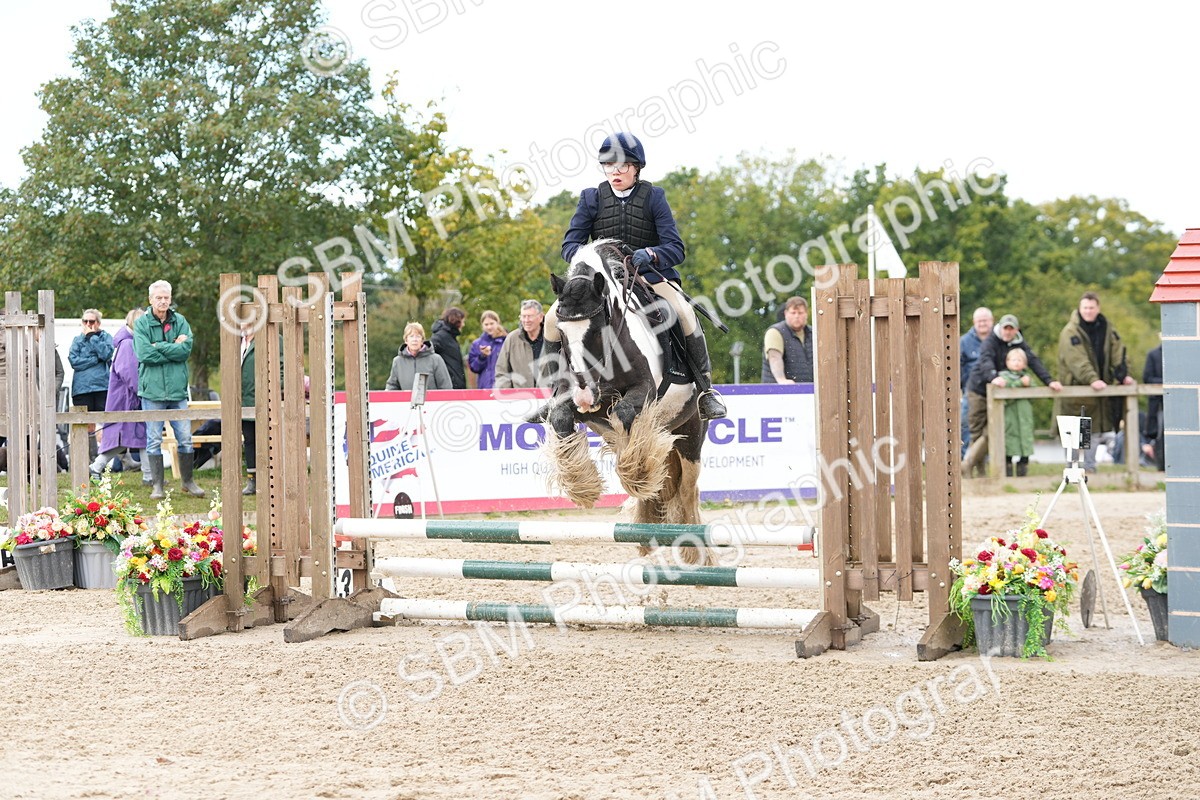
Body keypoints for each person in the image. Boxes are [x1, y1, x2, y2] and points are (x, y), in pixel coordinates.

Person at [549, 131, 726, 420]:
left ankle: (706, 390)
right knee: (551, 320)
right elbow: (570, 246)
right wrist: (592, 260)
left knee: (683, 311)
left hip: (646, 277)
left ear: (636, 168)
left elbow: (676, 248)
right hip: (601, 283)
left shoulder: (654, 197)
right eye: (609, 166)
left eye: (622, 166)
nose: (615, 172)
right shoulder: (591, 198)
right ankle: (557, 392)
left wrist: (652, 254)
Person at [962, 314, 1062, 477]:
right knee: (976, 432)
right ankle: (978, 471)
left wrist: (1049, 380)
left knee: (991, 432)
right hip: (979, 390)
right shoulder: (991, 341)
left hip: (999, 392)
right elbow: (986, 361)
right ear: (1000, 328)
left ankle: (968, 464)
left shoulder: (1019, 342)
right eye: (1005, 328)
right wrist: (994, 376)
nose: (1008, 332)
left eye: (1011, 329)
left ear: (1016, 330)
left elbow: (1033, 361)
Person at [133, 279, 205, 499]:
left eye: (166, 297)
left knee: (185, 437)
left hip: (177, 391)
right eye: (158, 298)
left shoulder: (181, 321)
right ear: (150, 300)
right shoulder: (142, 324)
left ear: (170, 298)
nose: (163, 301)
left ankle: (188, 481)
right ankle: (157, 486)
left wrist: (161, 347)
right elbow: (144, 354)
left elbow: (185, 351)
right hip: (152, 391)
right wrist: (172, 346)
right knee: (153, 438)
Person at [1055, 291, 1135, 472]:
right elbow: (1077, 360)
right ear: (1079, 308)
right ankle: (1072, 470)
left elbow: (1119, 353)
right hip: (1077, 390)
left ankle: (1090, 470)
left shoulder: (1107, 328)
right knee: (1074, 432)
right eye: (1085, 307)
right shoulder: (1070, 332)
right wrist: (1092, 379)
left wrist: (1124, 375)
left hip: (1100, 393)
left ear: (1097, 308)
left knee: (1094, 430)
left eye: (1092, 307)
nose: (1088, 311)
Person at [190, 325, 264, 494]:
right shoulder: (237, 342)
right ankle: (252, 481)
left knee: (264, 441)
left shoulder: (266, 339)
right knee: (250, 440)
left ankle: (268, 479)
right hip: (240, 400)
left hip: (260, 398)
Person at [89, 309, 152, 484]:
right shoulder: (127, 344)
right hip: (126, 400)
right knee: (123, 438)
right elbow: (130, 374)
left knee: (140, 436)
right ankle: (96, 466)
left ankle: (148, 475)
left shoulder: (130, 341)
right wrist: (143, 392)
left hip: (129, 398)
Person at [494, 299, 559, 390]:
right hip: (519, 399)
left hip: (549, 398)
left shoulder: (552, 336)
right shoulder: (512, 339)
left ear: (540, 317)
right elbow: (501, 371)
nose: (526, 320)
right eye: (523, 316)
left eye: (530, 316)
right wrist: (507, 394)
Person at [959, 307, 994, 457]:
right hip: (971, 390)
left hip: (994, 389)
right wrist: (962, 387)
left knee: (990, 427)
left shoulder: (997, 339)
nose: (982, 324)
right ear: (974, 322)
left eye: (985, 320)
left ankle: (983, 461)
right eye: (979, 321)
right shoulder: (965, 341)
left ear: (992, 321)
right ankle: (960, 459)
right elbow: (958, 366)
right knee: (967, 424)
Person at [999, 348, 1035, 477]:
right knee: (1009, 445)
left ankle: (1022, 473)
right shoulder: (1003, 377)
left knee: (1025, 444)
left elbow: (1035, 394)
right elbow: (1005, 393)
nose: (1016, 362)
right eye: (1013, 359)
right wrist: (1020, 383)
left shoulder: (1028, 378)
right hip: (1010, 418)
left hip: (1025, 418)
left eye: (1020, 360)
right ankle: (1007, 474)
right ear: (1007, 362)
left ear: (1025, 363)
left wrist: (1029, 384)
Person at [385, 322, 452, 391]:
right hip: (407, 401)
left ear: (422, 340)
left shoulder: (436, 360)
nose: (415, 339)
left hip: (432, 401)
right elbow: (392, 386)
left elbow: (446, 387)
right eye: (411, 336)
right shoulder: (397, 362)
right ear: (406, 340)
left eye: (418, 336)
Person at [761, 296, 813, 383]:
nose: (797, 316)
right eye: (793, 313)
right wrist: (781, 380)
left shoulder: (814, 333)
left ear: (806, 314)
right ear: (786, 313)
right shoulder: (775, 332)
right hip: (778, 392)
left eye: (800, 313)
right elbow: (774, 358)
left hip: (808, 391)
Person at [467, 310, 507, 389]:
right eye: (486, 324)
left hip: (503, 387)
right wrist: (482, 356)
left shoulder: (506, 342)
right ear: (482, 326)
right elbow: (474, 368)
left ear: (497, 323)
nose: (489, 327)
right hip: (484, 387)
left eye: (492, 323)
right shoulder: (476, 344)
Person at [430, 307, 467, 390]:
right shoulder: (440, 337)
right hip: (449, 386)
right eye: (462, 321)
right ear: (456, 321)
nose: (463, 325)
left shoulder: (450, 337)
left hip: (455, 385)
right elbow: (428, 352)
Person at [1142, 343, 1164, 470]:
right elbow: (1147, 377)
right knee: (1159, 434)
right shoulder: (1153, 354)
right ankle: (1160, 466)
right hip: (1157, 403)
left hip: (1170, 403)